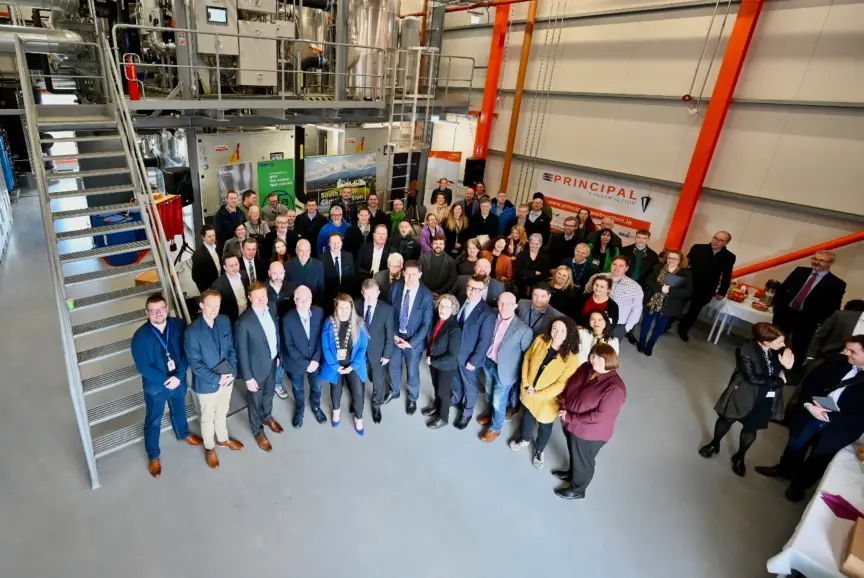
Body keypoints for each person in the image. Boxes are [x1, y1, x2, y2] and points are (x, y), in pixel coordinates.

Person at [755, 336, 864, 502]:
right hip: (813, 410)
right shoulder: (837, 361)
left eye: (853, 351)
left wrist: (830, 416)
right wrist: (808, 405)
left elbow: (860, 417)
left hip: (839, 426)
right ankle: (785, 470)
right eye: (847, 348)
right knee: (795, 443)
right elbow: (811, 382)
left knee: (819, 457)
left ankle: (799, 485)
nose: (846, 353)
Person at [700, 323, 795, 476]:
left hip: (764, 399)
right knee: (727, 420)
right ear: (765, 341)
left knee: (751, 429)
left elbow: (792, 378)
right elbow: (752, 378)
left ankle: (739, 457)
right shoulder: (746, 351)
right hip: (744, 394)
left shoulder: (779, 351)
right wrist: (780, 381)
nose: (783, 345)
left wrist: (788, 368)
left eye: (783, 341)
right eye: (779, 342)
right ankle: (714, 443)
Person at [131, 294, 202, 477]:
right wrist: (166, 380)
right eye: (153, 311)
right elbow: (143, 366)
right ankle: (154, 455)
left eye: (161, 309)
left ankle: (183, 433)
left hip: (177, 380)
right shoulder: (140, 337)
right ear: (146, 313)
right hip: (156, 387)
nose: (158, 314)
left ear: (167, 308)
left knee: (179, 407)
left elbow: (188, 350)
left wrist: (178, 376)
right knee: (154, 419)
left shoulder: (178, 325)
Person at [555, 344, 626, 500]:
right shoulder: (586, 367)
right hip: (571, 423)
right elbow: (570, 387)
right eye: (593, 355)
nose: (595, 360)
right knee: (574, 452)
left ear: (611, 361)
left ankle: (578, 489)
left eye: (601, 358)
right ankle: (572, 473)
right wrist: (564, 406)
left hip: (589, 434)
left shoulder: (615, 389)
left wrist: (570, 417)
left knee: (583, 461)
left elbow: (599, 417)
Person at [509, 317, 581, 469]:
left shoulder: (571, 358)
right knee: (527, 415)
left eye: (562, 330)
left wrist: (538, 394)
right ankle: (525, 438)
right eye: (555, 328)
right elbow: (528, 357)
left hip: (548, 400)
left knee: (545, 426)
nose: (557, 333)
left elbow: (561, 384)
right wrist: (526, 382)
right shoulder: (541, 339)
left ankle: (539, 450)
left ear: (569, 333)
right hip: (529, 391)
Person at [184, 290, 243, 469]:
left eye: (216, 306)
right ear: (202, 306)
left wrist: (231, 373)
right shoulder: (192, 332)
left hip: (227, 379)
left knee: (222, 411)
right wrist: (218, 379)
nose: (213, 310)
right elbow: (195, 364)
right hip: (207, 383)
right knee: (207, 417)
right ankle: (209, 447)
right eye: (210, 306)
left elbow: (232, 349)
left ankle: (223, 439)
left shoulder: (224, 321)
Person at [772, 250, 847, 366]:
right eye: (815, 259)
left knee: (799, 349)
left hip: (807, 321)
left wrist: (819, 322)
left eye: (821, 260)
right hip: (785, 314)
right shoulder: (800, 271)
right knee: (773, 340)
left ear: (830, 263)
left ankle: (791, 372)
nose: (816, 262)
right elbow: (783, 288)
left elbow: (833, 307)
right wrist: (777, 307)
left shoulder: (836, 284)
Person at [478, 292, 533, 442]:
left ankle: (495, 429)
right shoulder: (493, 317)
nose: (504, 307)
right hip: (489, 363)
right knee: (489, 392)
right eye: (501, 302)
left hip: (506, 371)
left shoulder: (524, 330)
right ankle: (491, 415)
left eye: (508, 304)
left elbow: (526, 357)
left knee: (499, 400)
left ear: (515, 306)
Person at [236, 281, 283, 451]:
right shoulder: (244, 322)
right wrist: (247, 378)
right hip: (255, 371)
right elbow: (241, 352)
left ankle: (267, 416)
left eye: (263, 296)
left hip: (272, 362)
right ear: (250, 298)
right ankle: (257, 431)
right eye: (257, 298)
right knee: (255, 402)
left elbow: (275, 333)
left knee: (269, 394)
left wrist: (277, 355)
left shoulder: (271, 307)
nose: (261, 300)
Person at [387, 260, 434, 415]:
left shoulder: (426, 295)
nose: (410, 278)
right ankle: (394, 391)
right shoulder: (395, 287)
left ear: (420, 275)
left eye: (414, 274)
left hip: (413, 340)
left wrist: (411, 343)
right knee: (393, 366)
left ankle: (412, 397)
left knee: (412, 370)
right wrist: (393, 335)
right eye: (407, 274)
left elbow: (426, 324)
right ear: (403, 273)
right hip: (395, 336)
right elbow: (388, 313)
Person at [451, 275, 496, 429]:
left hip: (469, 358)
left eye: (477, 289)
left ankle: (467, 414)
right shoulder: (463, 299)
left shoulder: (487, 313)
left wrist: (474, 361)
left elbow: (485, 341)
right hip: (455, 352)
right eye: (470, 287)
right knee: (456, 380)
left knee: (470, 387)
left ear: (482, 291)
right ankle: (456, 399)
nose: (472, 291)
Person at [320, 293, 368, 434]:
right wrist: (336, 367)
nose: (343, 311)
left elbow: (362, 348)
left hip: (354, 365)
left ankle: (358, 418)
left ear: (351, 308)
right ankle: (336, 411)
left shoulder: (359, 323)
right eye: (340, 308)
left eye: (347, 308)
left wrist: (352, 366)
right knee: (336, 389)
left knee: (358, 392)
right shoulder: (329, 323)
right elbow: (326, 348)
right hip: (335, 365)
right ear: (336, 308)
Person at [281, 285, 327, 428]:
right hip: (296, 363)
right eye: (300, 299)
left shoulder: (319, 312)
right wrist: (307, 364)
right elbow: (289, 346)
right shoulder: (287, 318)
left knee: (317, 387)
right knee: (298, 388)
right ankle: (300, 408)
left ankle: (315, 406)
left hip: (315, 359)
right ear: (295, 300)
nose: (304, 302)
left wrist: (315, 359)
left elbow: (321, 338)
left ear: (311, 299)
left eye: (307, 299)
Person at [677, 231, 736, 342]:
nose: (716, 241)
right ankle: (667, 325)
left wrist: (722, 292)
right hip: (688, 284)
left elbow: (727, 275)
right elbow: (686, 264)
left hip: (706, 289)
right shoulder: (698, 248)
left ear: (726, 243)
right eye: (715, 238)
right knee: (678, 305)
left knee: (694, 311)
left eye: (720, 240)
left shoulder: (729, 257)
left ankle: (683, 330)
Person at [638, 250, 693, 356]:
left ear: (680, 260)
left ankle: (651, 344)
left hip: (670, 304)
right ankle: (642, 340)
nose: (671, 260)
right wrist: (661, 288)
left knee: (660, 327)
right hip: (653, 301)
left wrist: (670, 291)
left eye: (675, 258)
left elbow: (688, 291)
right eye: (669, 258)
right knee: (646, 322)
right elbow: (649, 281)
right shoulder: (657, 267)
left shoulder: (685, 273)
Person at [357, 279, 394, 424]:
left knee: (378, 380)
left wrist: (386, 354)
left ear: (378, 293)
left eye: (373, 295)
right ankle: (357, 402)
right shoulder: (356, 305)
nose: (370, 299)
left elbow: (389, 335)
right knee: (359, 378)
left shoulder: (387, 309)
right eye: (367, 295)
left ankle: (376, 406)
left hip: (378, 352)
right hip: (359, 351)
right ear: (362, 293)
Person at [423, 294, 462, 429]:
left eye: (446, 306)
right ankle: (436, 407)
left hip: (445, 366)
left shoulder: (454, 328)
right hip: (434, 363)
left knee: (443, 392)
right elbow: (432, 340)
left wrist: (432, 360)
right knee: (436, 387)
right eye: (440, 305)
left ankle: (443, 417)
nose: (442, 308)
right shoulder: (439, 320)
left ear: (453, 309)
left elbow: (453, 354)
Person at [588, 256, 644, 340]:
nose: (617, 267)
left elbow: (637, 309)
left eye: (621, 266)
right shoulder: (597, 277)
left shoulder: (635, 287)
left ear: (627, 268)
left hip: (617, 326)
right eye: (614, 264)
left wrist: (626, 328)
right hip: (594, 322)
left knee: (608, 351)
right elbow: (586, 293)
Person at [266, 261, 296, 400]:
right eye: (274, 273)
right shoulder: (263, 289)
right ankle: (268, 383)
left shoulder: (291, 287)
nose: (278, 276)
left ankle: (278, 383)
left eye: (280, 273)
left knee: (282, 356)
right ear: (269, 273)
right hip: (269, 330)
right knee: (271, 357)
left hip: (286, 329)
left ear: (284, 273)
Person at [322, 232, 357, 313]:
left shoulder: (349, 256)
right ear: (329, 244)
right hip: (329, 299)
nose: (336, 245)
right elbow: (321, 281)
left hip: (346, 298)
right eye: (333, 243)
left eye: (338, 243)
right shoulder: (322, 258)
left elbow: (352, 277)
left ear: (341, 243)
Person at [285, 239, 325, 306]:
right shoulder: (287, 266)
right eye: (301, 251)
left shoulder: (318, 264)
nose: (304, 254)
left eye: (307, 251)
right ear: (296, 251)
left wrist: (314, 306)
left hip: (313, 305)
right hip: (294, 306)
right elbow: (286, 289)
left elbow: (321, 289)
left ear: (310, 251)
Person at [211, 254, 249, 324]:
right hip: (232, 319)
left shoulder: (244, 274)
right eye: (231, 266)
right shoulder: (218, 285)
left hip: (247, 314)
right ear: (225, 267)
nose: (235, 268)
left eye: (236, 264)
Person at [515, 233, 550, 297]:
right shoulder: (522, 254)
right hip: (521, 284)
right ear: (529, 243)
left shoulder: (545, 257)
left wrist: (526, 273)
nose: (534, 246)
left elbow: (544, 274)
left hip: (537, 286)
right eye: (532, 243)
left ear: (541, 244)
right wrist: (534, 273)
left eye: (537, 244)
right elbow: (517, 271)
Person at [191, 224, 221, 294]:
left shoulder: (217, 245)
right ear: (203, 237)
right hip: (210, 287)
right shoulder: (198, 255)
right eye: (209, 236)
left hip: (221, 282)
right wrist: (205, 290)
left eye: (214, 235)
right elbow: (195, 276)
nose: (213, 238)